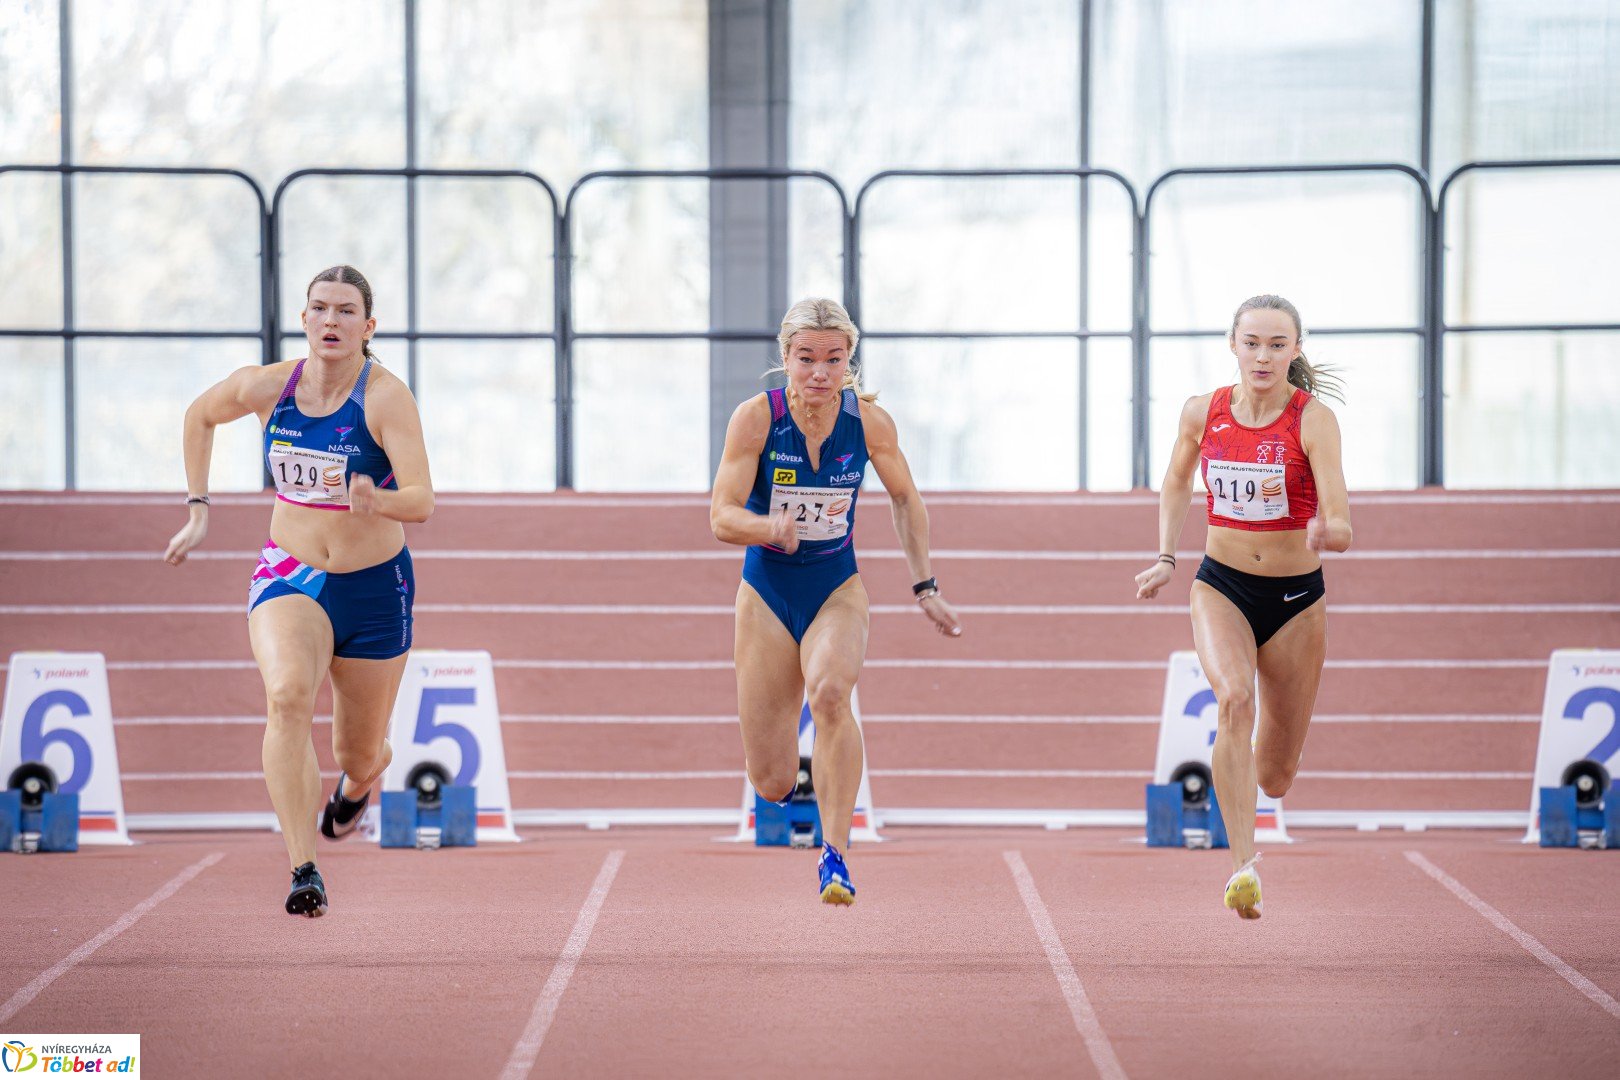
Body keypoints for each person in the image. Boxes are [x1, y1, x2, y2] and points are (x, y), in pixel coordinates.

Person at [164, 265, 433, 917]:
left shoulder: (385, 397)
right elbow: (200, 415)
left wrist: (378, 499)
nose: (331, 321)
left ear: (368, 327)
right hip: (290, 573)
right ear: (305, 318)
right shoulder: (268, 387)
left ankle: (357, 785)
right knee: (286, 697)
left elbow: (422, 500)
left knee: (359, 752)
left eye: (346, 311)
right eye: (320, 309)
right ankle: (303, 867)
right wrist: (198, 506)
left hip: (373, 588)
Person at [711, 298, 962, 904]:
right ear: (786, 358)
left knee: (829, 694)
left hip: (836, 588)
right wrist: (771, 528)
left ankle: (835, 856)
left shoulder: (870, 423)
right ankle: (797, 804)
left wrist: (925, 585)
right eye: (806, 359)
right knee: (771, 781)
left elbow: (907, 500)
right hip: (768, 592)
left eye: (833, 358)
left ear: (849, 359)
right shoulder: (756, 419)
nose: (819, 372)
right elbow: (721, 517)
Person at [1134, 294, 1352, 919]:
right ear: (1232, 344)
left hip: (1294, 599)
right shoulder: (1203, 412)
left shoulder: (1313, 420)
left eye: (1277, 344)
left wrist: (1331, 530)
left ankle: (1254, 791)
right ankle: (1243, 866)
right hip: (1221, 583)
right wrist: (1167, 557)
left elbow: (1338, 509)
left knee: (1277, 775)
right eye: (1252, 342)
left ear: (1295, 351)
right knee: (1233, 700)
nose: (1263, 355)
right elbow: (1177, 480)